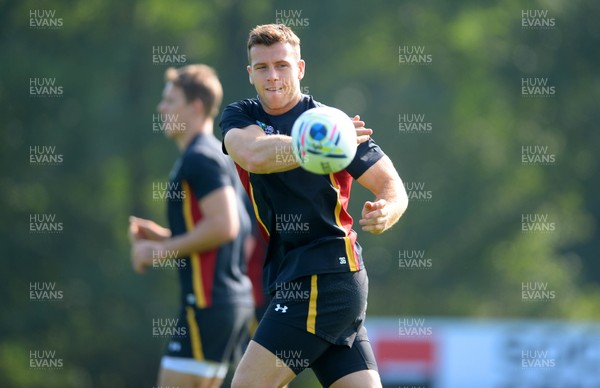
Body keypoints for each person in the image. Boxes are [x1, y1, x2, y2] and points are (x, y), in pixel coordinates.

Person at [219, 24, 409, 388]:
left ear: (300, 68)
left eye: (282, 65)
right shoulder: (241, 115)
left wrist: (388, 209)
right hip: (294, 276)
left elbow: (392, 185)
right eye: (262, 67)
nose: (272, 76)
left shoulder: (330, 121)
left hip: (325, 275)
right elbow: (254, 155)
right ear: (250, 74)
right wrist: (320, 143)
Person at [129, 64, 254, 388]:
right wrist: (166, 236)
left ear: (195, 106)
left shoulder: (199, 158)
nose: (161, 108)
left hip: (208, 303)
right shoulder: (220, 154)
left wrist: (157, 251)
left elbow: (224, 226)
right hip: (228, 302)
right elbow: (235, 231)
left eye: (170, 100)